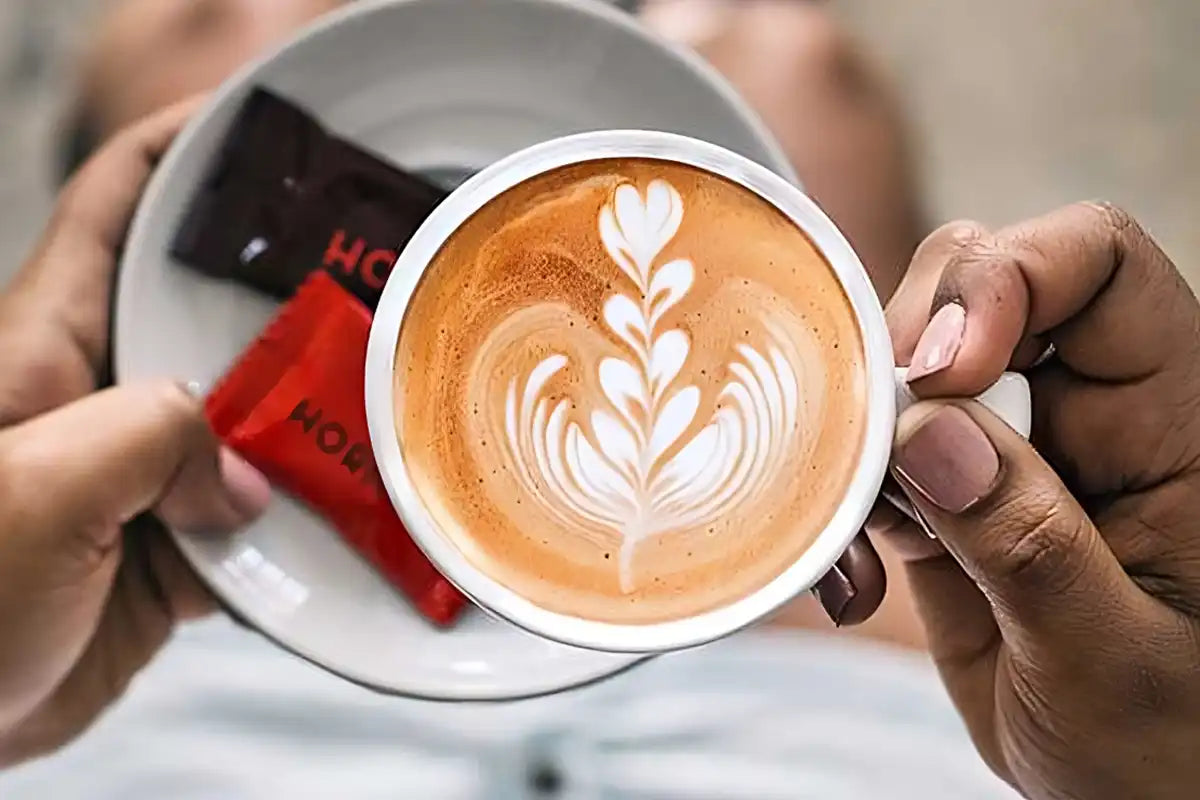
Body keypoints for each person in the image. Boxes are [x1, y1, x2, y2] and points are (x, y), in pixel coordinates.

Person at [3, 1, 1197, 799]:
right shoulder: (1073, 735)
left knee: (222, 28)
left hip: (196, 707)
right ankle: (684, 43)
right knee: (780, 52)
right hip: (832, 707)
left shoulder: (59, 668)